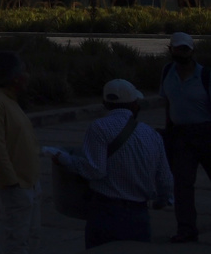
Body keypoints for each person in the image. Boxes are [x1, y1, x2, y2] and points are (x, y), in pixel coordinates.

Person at [47, 79, 173, 248]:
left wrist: (64, 159)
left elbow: (95, 170)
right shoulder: (151, 134)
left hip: (105, 212)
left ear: (105, 103)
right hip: (138, 215)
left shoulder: (98, 128)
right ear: (134, 104)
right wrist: (160, 201)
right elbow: (165, 179)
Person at [0, 50, 42, 253]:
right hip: (17, 185)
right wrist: (11, 181)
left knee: (31, 235)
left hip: (30, 182)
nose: (27, 77)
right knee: (17, 239)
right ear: (13, 76)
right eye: (24, 71)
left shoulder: (10, 100)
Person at [161, 31, 211, 242]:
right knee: (182, 185)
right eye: (177, 49)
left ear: (192, 51)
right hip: (180, 135)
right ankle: (186, 229)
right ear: (170, 50)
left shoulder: (205, 75)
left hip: (206, 133)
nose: (181, 53)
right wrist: (169, 132)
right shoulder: (167, 72)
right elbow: (167, 102)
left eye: (185, 49)